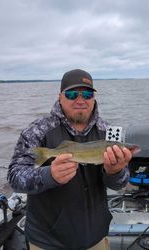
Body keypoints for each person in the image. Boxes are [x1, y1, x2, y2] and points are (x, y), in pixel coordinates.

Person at [7, 69, 134, 250]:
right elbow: (14, 178)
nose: (81, 100)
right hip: (47, 241)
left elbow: (120, 184)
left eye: (87, 94)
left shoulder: (109, 132)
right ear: (60, 97)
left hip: (96, 237)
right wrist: (48, 175)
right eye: (73, 94)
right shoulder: (38, 130)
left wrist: (115, 172)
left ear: (94, 98)